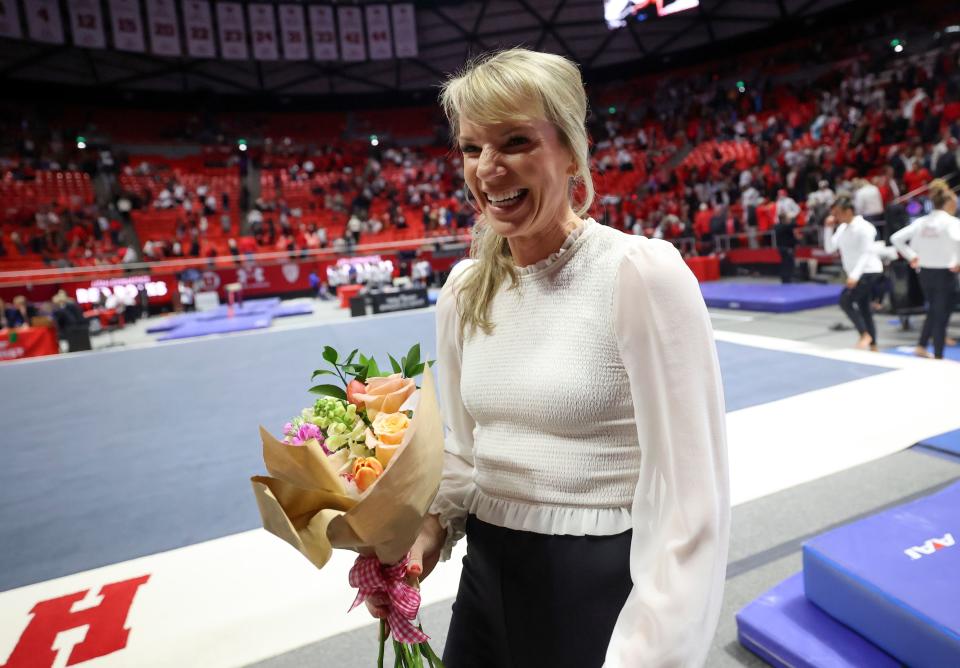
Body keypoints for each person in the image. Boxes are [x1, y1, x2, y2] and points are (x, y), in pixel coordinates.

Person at [364, 48, 730, 667]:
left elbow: (694, 498)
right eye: (471, 148)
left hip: (601, 590)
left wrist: (654, 652)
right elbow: (464, 452)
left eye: (514, 142)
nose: (488, 169)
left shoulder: (639, 274)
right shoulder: (462, 291)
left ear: (569, 150)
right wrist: (423, 534)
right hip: (487, 582)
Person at [890, 179, 960, 359]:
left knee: (934, 310)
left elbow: (896, 239)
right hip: (945, 273)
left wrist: (912, 256)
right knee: (940, 314)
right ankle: (938, 356)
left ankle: (922, 345)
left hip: (926, 273)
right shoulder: (951, 222)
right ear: (948, 202)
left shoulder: (922, 222)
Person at [824, 197, 884, 350]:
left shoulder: (865, 227)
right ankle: (873, 345)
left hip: (868, 271)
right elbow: (829, 248)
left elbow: (866, 253)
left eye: (837, 213)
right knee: (864, 309)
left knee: (845, 301)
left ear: (848, 211)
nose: (835, 217)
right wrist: (828, 228)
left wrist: (855, 276)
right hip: (856, 273)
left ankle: (865, 334)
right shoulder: (842, 228)